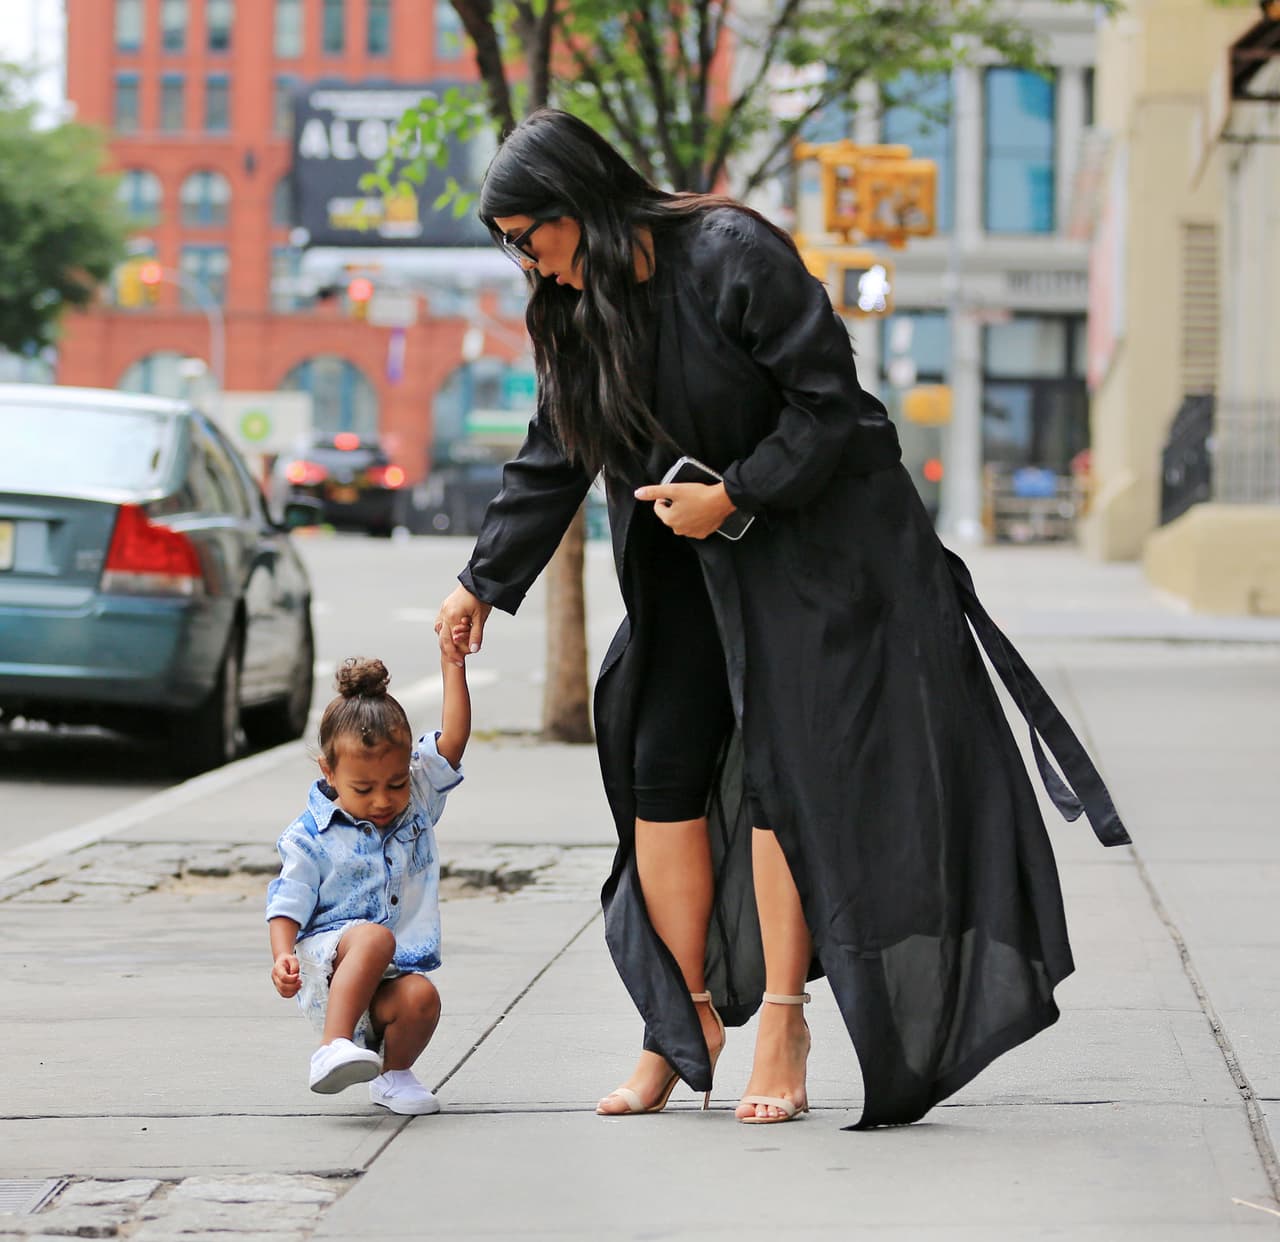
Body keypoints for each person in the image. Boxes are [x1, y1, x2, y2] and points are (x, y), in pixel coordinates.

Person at [434, 109, 1130, 1129]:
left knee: (778, 780)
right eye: (507, 247)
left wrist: (736, 496)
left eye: (525, 238)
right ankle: (682, 1026)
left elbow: (828, 407)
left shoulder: (730, 255)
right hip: (681, 569)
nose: (523, 263)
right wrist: (481, 581)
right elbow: (555, 449)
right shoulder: (572, 308)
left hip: (803, 555)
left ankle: (780, 1022)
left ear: (576, 203)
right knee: (658, 774)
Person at [266, 653, 470, 1116]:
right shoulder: (310, 836)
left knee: (421, 997)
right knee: (374, 938)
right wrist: (281, 955)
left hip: (385, 975)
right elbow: (287, 901)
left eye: (396, 783)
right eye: (363, 789)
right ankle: (332, 1047)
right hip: (327, 965)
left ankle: (392, 1075)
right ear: (329, 773)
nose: (383, 800)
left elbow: (453, 741)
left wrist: (452, 662)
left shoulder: (416, 801)